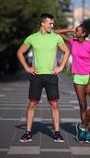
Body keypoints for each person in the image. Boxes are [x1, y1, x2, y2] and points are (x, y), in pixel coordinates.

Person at [17, 13, 70, 143]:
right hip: (36, 76)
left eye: (52, 23)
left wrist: (61, 67)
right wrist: (27, 67)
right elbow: (19, 52)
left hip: (51, 76)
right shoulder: (32, 38)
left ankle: (57, 133)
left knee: (54, 104)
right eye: (50, 23)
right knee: (32, 104)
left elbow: (67, 51)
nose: (52, 25)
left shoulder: (56, 37)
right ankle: (28, 133)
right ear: (43, 23)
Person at [55, 19, 90, 143]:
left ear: (84, 34)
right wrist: (70, 30)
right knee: (83, 105)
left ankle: (82, 127)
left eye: (77, 29)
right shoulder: (72, 42)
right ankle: (84, 134)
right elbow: (56, 32)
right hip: (78, 78)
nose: (75, 31)